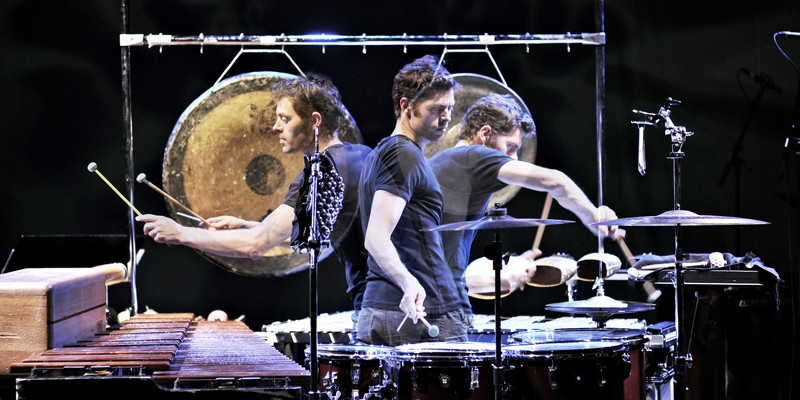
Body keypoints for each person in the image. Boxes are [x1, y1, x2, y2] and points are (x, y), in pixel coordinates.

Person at [136, 73, 372, 321]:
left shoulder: (320, 171)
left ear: (314, 121)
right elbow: (313, 240)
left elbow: (256, 245)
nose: (275, 127)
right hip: (397, 301)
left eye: (285, 118)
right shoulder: (362, 156)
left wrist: (182, 234)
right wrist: (253, 227)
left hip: (379, 307)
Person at [429, 93, 624, 309]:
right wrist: (594, 218)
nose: (513, 158)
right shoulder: (473, 156)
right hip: (441, 307)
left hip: (425, 300)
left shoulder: (444, 162)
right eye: (511, 147)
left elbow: (452, 269)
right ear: (485, 134)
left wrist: (511, 267)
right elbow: (557, 182)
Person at [357, 55, 468, 347]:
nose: (446, 118)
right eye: (437, 109)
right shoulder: (402, 154)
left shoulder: (383, 152)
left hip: (387, 310)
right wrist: (409, 284)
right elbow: (376, 238)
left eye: (450, 109)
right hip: (419, 313)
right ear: (407, 106)